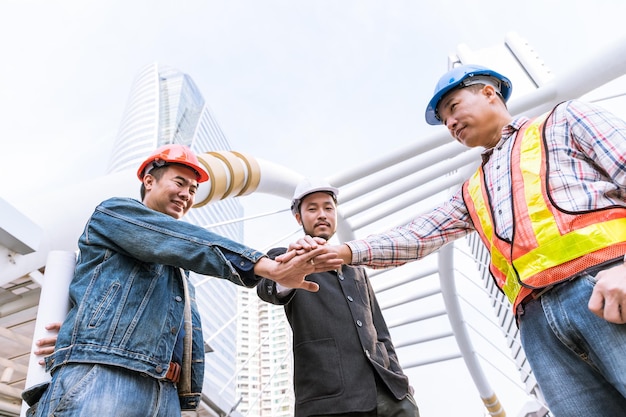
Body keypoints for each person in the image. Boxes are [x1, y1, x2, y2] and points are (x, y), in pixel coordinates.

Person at [290, 65, 626, 416]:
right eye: (443, 120)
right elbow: (417, 235)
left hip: (606, 285)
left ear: (488, 92)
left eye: (452, 108)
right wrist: (343, 252)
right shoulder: (472, 191)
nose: (449, 124)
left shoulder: (563, 121)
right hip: (538, 328)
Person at [22, 144, 341, 417]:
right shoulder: (113, 213)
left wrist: (78, 330)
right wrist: (266, 266)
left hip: (166, 393)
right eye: (180, 182)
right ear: (149, 180)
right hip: (105, 376)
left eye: (192, 189)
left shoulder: (179, 267)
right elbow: (170, 238)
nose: (187, 194)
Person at [257, 178, 420, 417]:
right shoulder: (285, 257)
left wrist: (400, 380)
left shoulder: (356, 267)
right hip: (329, 400)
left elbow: (381, 332)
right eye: (312, 208)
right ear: (298, 218)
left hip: (391, 395)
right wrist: (291, 270)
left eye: (328, 207)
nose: (322, 214)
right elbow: (267, 288)